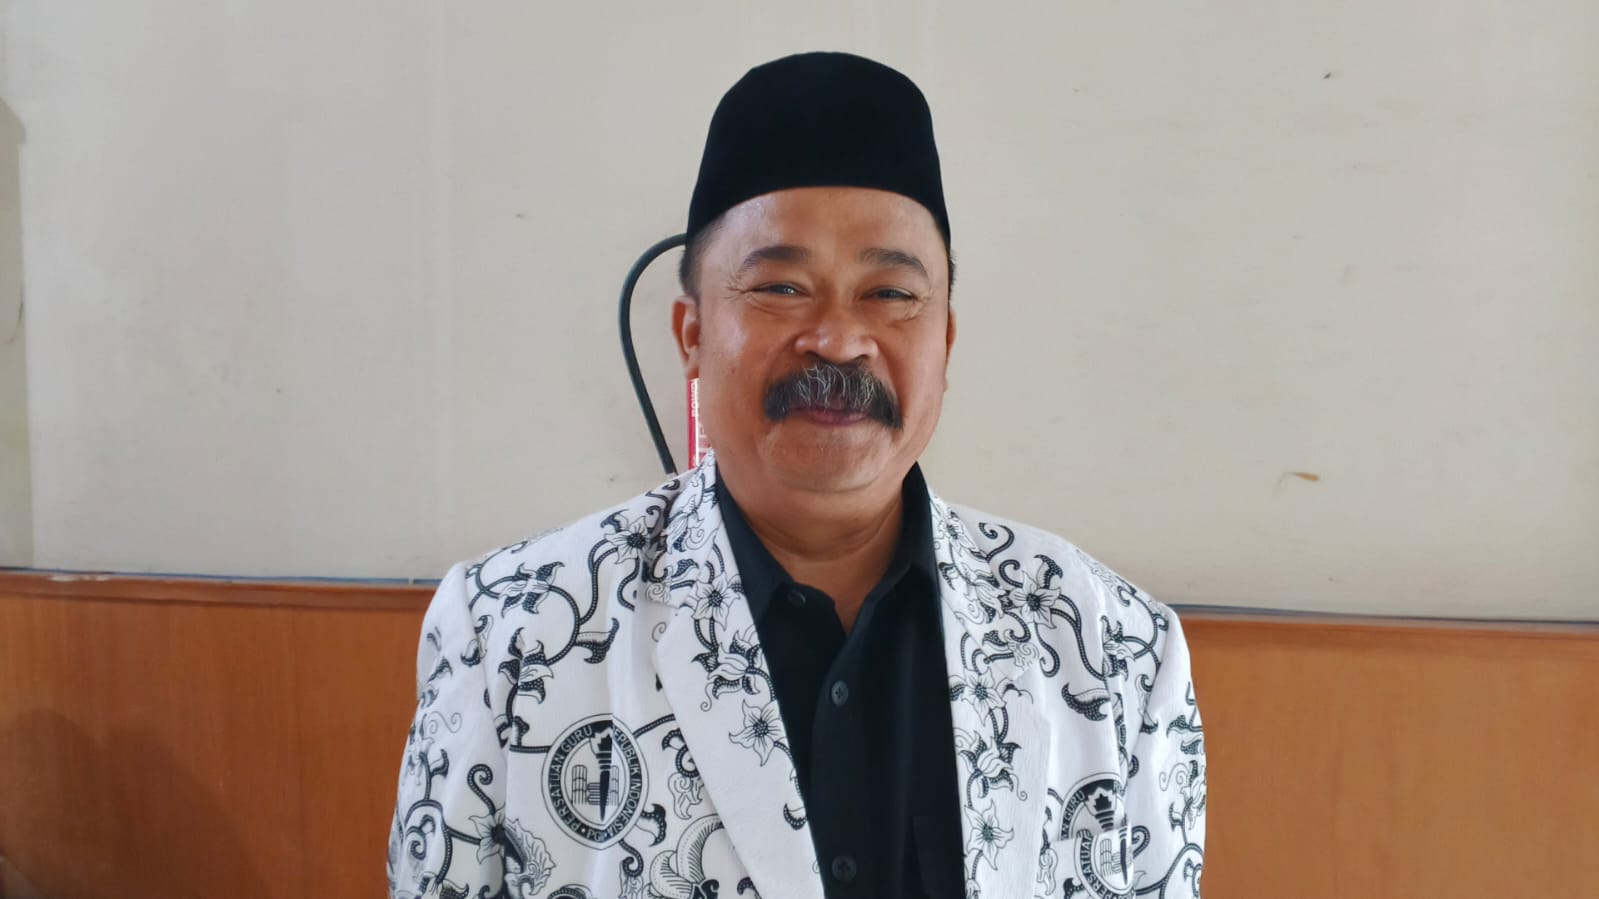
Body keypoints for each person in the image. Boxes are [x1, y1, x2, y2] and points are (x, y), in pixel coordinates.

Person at [388, 52, 1206, 899]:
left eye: (890, 294)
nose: (839, 340)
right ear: (690, 335)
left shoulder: (1113, 647)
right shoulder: (509, 634)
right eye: (780, 286)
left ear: (946, 341)